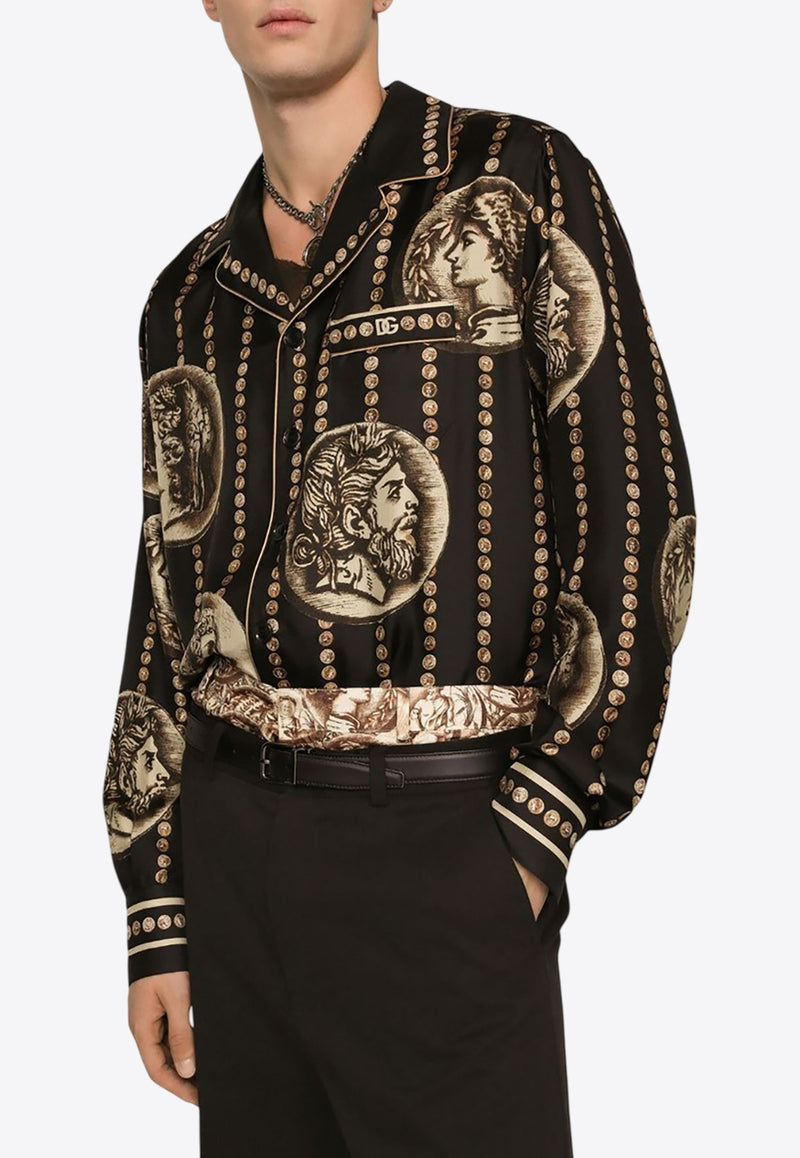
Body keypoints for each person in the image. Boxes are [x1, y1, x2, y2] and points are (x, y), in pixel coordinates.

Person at [103, 1, 696, 1154]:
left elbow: (635, 508)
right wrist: (157, 900)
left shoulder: (516, 183)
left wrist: (539, 821)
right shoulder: (188, 297)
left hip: (444, 842)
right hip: (232, 853)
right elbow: (164, 598)